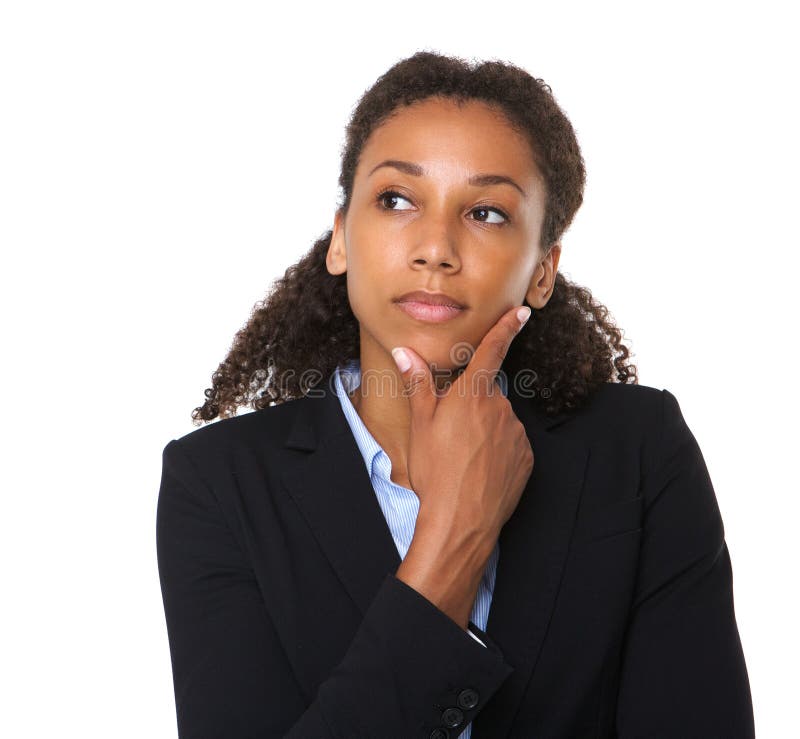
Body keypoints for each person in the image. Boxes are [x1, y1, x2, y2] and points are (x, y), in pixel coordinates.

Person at [156, 51, 755, 738]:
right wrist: (451, 545)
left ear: (542, 270)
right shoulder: (219, 482)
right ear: (342, 237)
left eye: (487, 212)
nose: (436, 247)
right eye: (397, 199)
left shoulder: (640, 451)